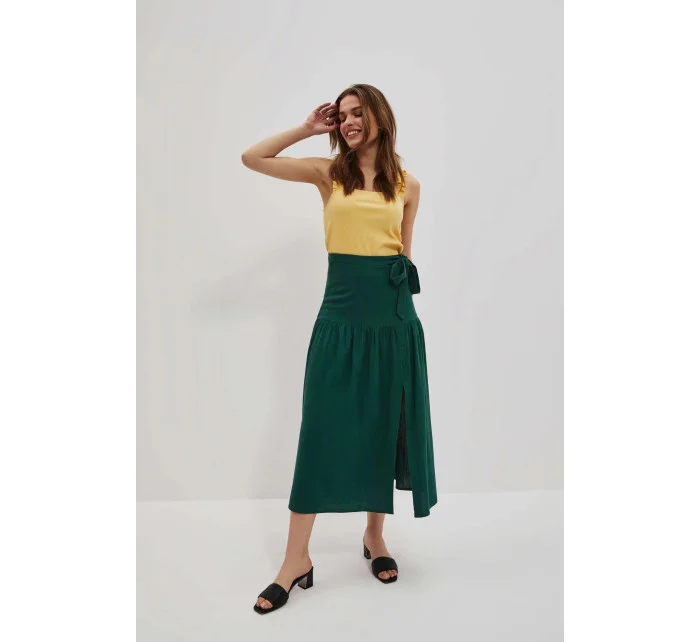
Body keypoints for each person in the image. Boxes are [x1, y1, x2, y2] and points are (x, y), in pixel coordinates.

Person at [241, 84, 437, 614]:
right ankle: (295, 560)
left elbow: (404, 257)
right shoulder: (328, 175)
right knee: (319, 434)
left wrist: (403, 322)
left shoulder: (409, 185)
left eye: (357, 113)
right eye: (342, 115)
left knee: (383, 426)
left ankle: (374, 536)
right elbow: (253, 158)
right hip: (339, 320)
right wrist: (309, 129)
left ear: (380, 118)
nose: (347, 122)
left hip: (393, 322)